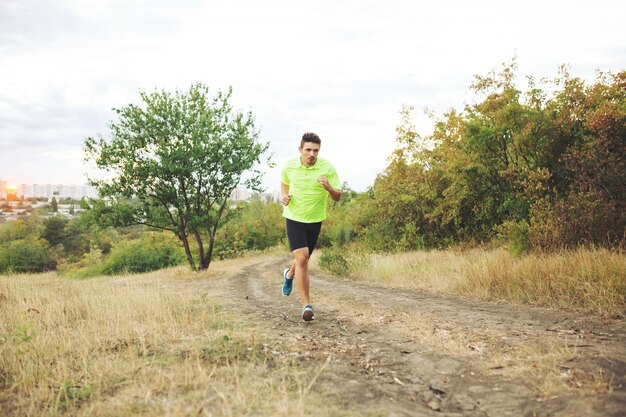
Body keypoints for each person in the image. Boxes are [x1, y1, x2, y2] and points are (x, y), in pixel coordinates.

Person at [281, 132, 341, 321]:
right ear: (300, 150)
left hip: (315, 220)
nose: (311, 154)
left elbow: (337, 196)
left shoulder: (327, 168)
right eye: (308, 150)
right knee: (303, 257)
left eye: (315, 150)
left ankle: (289, 274)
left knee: (302, 260)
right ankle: (307, 305)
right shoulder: (290, 165)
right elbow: (284, 182)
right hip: (294, 217)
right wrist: (284, 197)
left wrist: (328, 187)